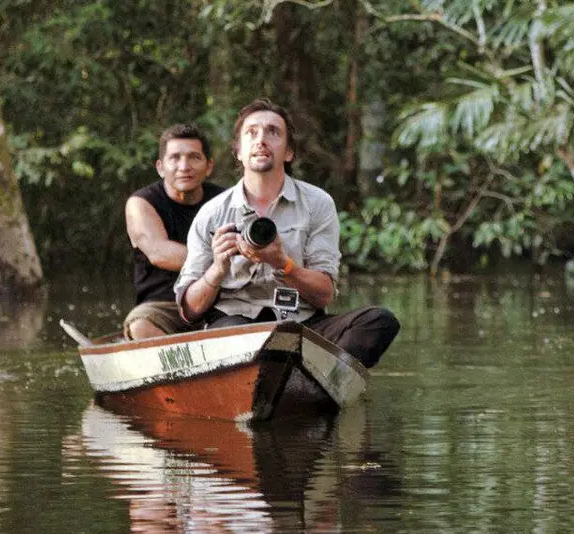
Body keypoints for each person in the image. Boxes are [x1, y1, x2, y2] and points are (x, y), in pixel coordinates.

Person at [175, 99, 399, 369]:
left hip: (301, 324)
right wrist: (217, 268)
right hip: (235, 324)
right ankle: (297, 375)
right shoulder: (212, 213)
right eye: (252, 133)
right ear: (238, 151)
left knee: (379, 321)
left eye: (273, 132)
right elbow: (189, 311)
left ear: (288, 152)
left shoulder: (317, 203)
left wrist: (283, 263)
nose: (261, 140)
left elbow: (324, 295)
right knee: (233, 340)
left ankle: (316, 381)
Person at [122, 123, 225, 339]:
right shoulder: (141, 203)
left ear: (209, 166)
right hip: (165, 304)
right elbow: (160, 253)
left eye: (194, 157)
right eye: (175, 158)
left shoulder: (225, 201)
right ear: (160, 167)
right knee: (140, 326)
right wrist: (221, 259)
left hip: (219, 298)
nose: (184, 166)